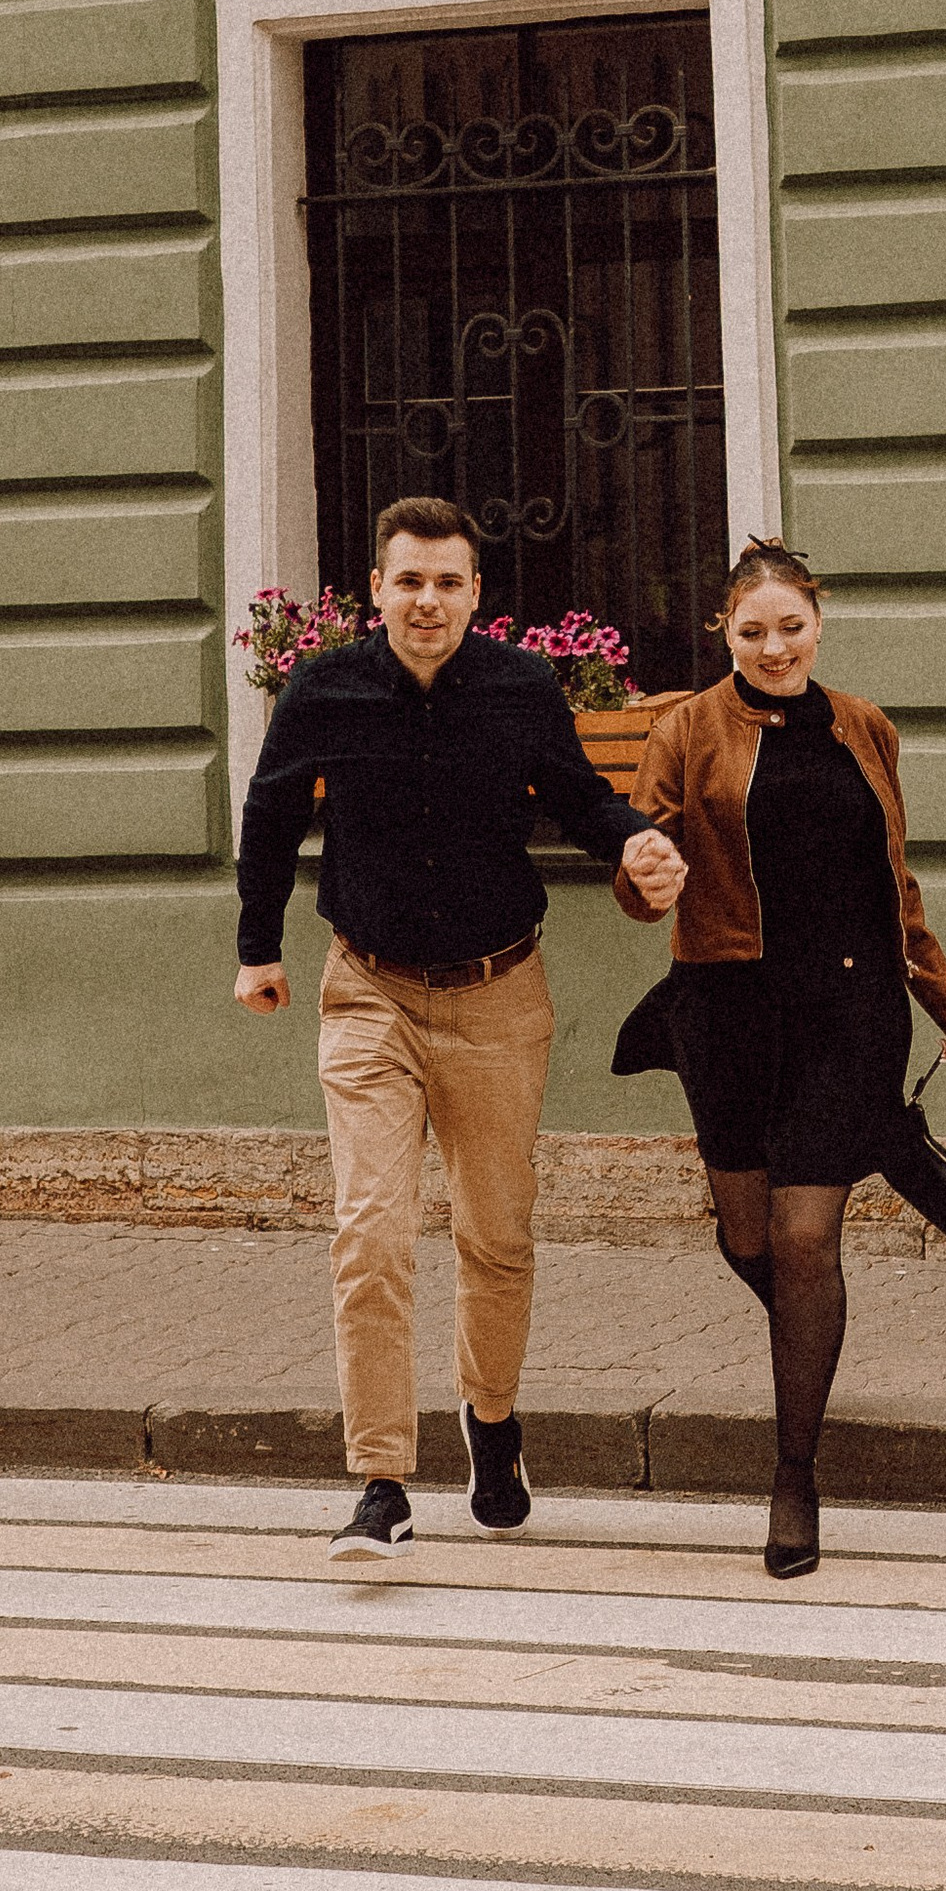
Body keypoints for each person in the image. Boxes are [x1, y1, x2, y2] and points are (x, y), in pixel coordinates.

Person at [235, 494, 687, 1559]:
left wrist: (633, 841)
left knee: (495, 1238)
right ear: (378, 589)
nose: (426, 600)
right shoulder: (326, 687)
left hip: (497, 997)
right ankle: (381, 1482)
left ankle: (490, 1422)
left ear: (476, 594)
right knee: (371, 1231)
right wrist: (258, 947)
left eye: (447, 582)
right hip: (369, 991)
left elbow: (580, 797)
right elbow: (267, 812)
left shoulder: (520, 687)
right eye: (408, 580)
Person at [612, 538, 946, 1578]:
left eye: (791, 627)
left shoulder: (865, 728)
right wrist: (648, 878)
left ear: (817, 624)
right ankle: (807, 1341)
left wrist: (941, 996)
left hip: (850, 1004)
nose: (775, 647)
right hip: (729, 1005)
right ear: (724, 636)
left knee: (804, 1236)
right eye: (752, 632)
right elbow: (646, 853)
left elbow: (894, 882)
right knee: (746, 1231)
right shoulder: (686, 727)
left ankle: (793, 1476)